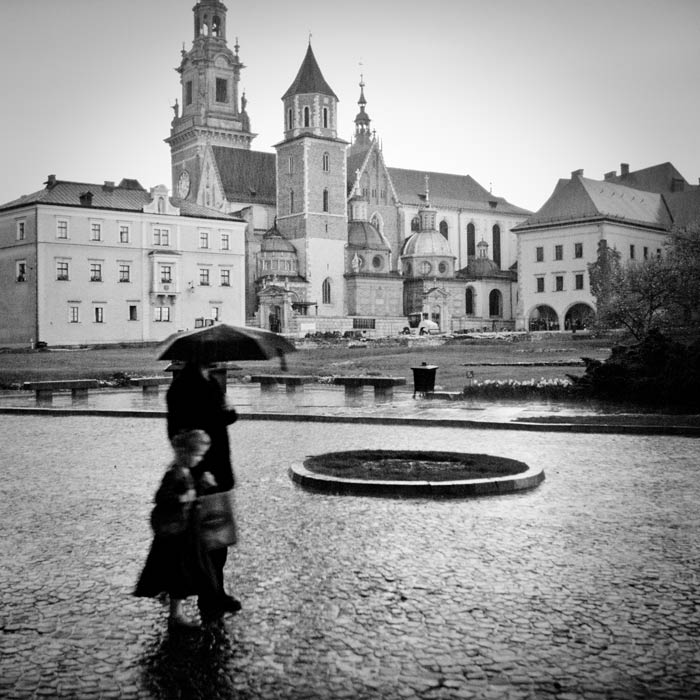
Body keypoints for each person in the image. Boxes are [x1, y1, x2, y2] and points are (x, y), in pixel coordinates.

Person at [166, 360, 241, 622]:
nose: (217, 356)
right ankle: (203, 597)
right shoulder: (184, 387)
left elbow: (220, 418)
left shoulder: (209, 381)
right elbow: (182, 431)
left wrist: (228, 410)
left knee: (217, 538)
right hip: (202, 473)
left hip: (217, 471)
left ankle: (214, 594)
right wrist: (196, 472)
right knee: (199, 541)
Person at [134, 429, 221, 628]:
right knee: (179, 573)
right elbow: (161, 497)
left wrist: (201, 486)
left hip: (184, 532)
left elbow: (189, 494)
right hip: (176, 534)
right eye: (198, 455)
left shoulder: (184, 471)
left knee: (181, 572)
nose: (200, 459)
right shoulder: (173, 473)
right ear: (185, 453)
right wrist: (187, 496)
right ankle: (176, 614)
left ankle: (177, 610)